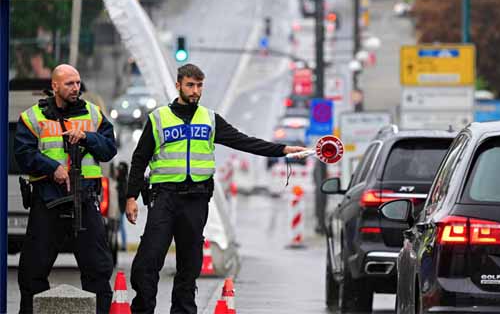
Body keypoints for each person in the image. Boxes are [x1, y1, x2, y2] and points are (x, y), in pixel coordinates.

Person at [125, 64, 306, 313]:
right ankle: (143, 309)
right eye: (190, 85)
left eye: (199, 85)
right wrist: (131, 197)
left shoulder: (209, 119)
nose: (195, 90)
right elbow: (139, 159)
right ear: (178, 85)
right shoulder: (159, 118)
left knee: (190, 265)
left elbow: (243, 141)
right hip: (164, 197)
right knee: (148, 262)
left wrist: (282, 150)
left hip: (196, 200)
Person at [14, 64, 117, 314]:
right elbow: (23, 154)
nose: (76, 88)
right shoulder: (32, 117)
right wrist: (52, 168)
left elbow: (108, 149)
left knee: (99, 270)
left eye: (78, 83)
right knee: (31, 272)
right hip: (48, 200)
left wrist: (86, 137)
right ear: (55, 86)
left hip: (84, 200)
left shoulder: (92, 114)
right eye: (69, 83)